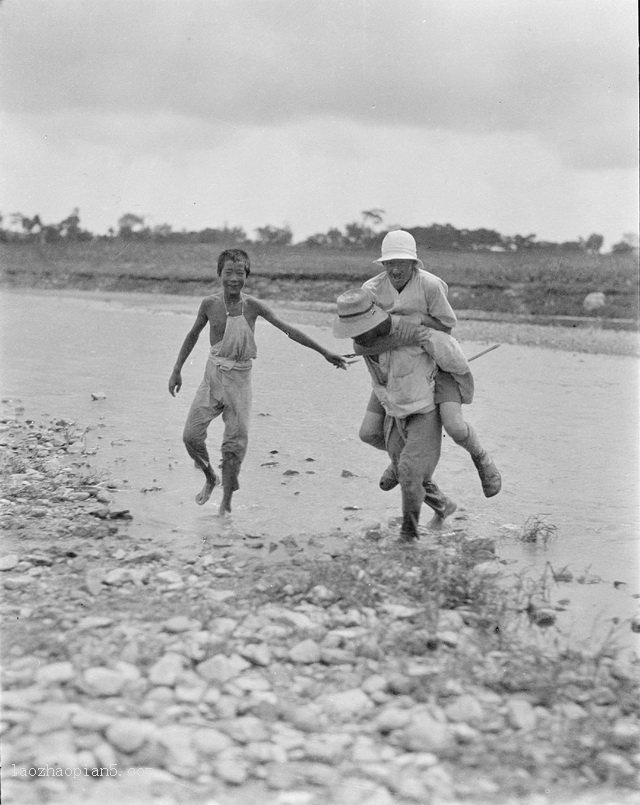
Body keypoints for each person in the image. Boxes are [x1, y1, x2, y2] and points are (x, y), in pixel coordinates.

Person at [169, 248, 346, 515]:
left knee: (234, 445)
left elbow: (289, 330)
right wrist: (177, 369)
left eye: (240, 274)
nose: (234, 279)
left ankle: (226, 505)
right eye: (228, 272)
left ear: (246, 276)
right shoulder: (209, 304)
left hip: (239, 381)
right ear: (219, 274)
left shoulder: (253, 306)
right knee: (190, 437)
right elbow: (193, 334)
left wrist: (325, 352)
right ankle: (209, 476)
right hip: (213, 376)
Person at [359, 229, 501, 498]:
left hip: (435, 362)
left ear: (413, 263)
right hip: (397, 368)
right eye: (389, 263)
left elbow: (445, 327)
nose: (395, 269)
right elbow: (366, 332)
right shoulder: (372, 290)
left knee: (455, 426)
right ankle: (400, 459)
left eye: (401, 262)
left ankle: (482, 458)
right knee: (368, 432)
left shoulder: (430, 286)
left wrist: (416, 321)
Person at [334, 288, 458, 542]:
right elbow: (364, 347)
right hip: (387, 389)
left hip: (415, 392)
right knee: (368, 434)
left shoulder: (405, 327)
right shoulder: (361, 343)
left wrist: (451, 385)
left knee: (409, 468)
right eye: (353, 328)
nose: (357, 334)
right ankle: (438, 498)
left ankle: (409, 532)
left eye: (361, 326)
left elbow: (442, 339)